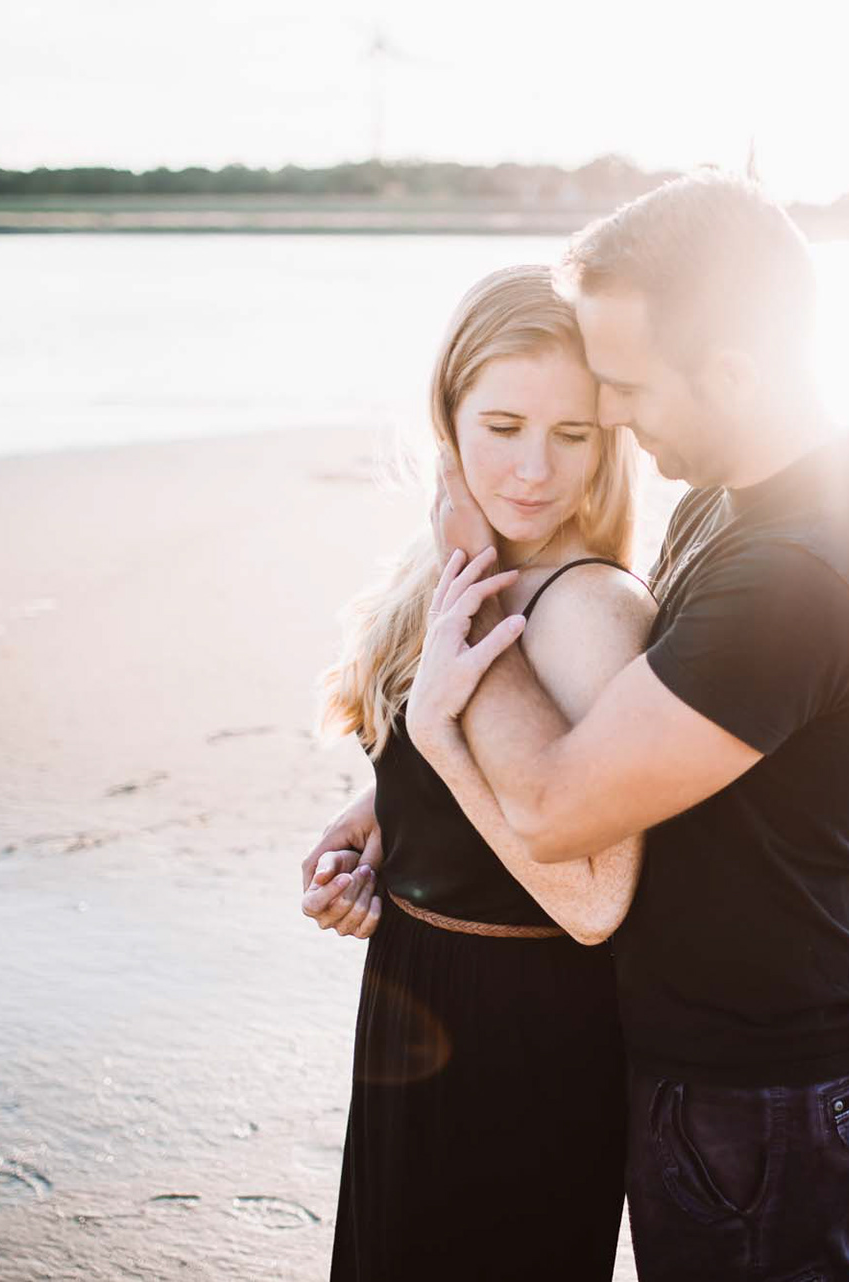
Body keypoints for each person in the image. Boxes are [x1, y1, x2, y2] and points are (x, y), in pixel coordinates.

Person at [401, 171, 849, 1281]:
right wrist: (389, 800)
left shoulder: (797, 574)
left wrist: (477, 580)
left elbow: (552, 802)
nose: (616, 417)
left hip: (761, 1088)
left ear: (730, 373)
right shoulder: (735, 500)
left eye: (627, 387)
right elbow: (624, 717)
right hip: (756, 1060)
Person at [305, 263, 656, 1281]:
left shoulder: (589, 608)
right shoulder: (456, 566)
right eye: (502, 426)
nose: (535, 470)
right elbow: (478, 773)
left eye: (572, 434)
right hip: (415, 992)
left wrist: (443, 750)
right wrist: (383, 824)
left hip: (528, 1042)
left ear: (610, 441)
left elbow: (596, 903)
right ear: (447, 419)